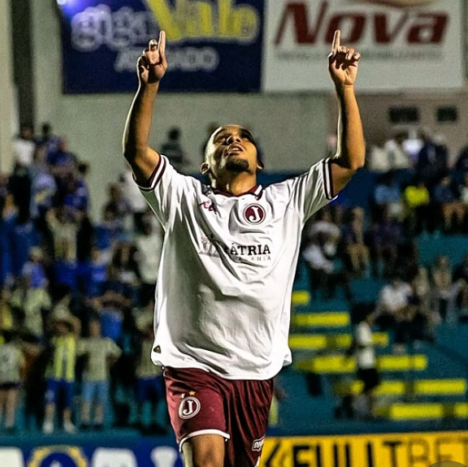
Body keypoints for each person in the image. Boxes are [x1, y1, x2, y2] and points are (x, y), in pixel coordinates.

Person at [122, 30, 363, 467]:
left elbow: (349, 161)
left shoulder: (286, 200)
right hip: (193, 363)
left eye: (243, 137)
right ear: (204, 164)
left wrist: (345, 89)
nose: (233, 140)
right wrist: (149, 84)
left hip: (256, 370)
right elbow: (137, 152)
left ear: (259, 161)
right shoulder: (183, 197)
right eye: (221, 138)